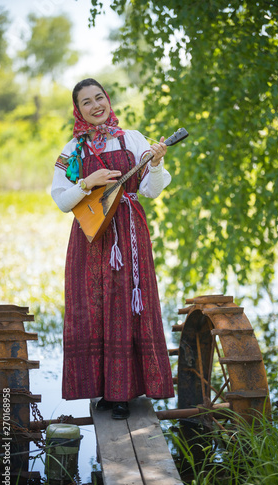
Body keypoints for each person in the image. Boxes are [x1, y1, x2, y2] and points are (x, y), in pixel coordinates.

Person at [51, 78, 174, 419]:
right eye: (86, 102)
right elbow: (63, 201)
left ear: (108, 99)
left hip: (129, 235)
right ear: (78, 110)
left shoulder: (129, 138)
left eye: (99, 97)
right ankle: (104, 390)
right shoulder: (72, 150)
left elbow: (150, 190)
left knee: (125, 304)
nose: (95, 105)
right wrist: (87, 183)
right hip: (90, 236)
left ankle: (123, 394)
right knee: (92, 306)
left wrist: (157, 163)